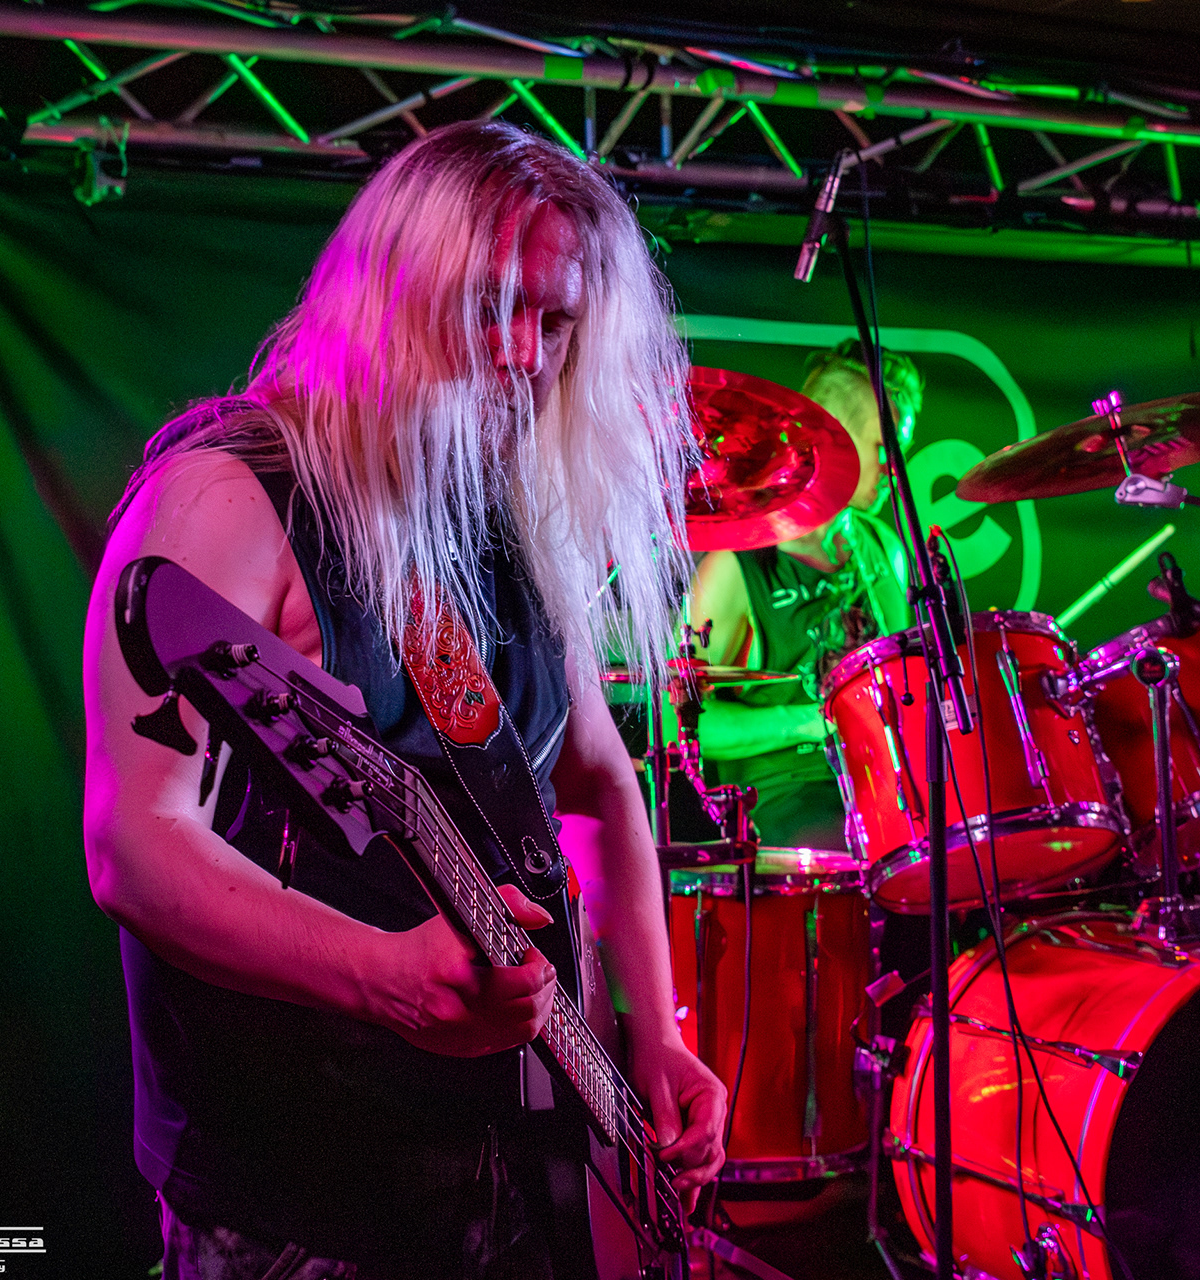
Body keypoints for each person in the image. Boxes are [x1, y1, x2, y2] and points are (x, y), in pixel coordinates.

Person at [82, 122, 726, 1279]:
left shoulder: (500, 517)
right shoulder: (230, 495)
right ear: (392, 292)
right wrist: (380, 973)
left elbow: (597, 777)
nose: (524, 354)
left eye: (556, 322)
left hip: (517, 1174)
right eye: (490, 307)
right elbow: (134, 842)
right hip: (299, 1196)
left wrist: (657, 1030)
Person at [684, 342, 923, 850]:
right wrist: (812, 721)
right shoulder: (735, 569)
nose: (895, 467)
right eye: (883, 448)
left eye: (900, 448)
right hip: (786, 804)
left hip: (885, 787)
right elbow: (677, 729)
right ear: (836, 439)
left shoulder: (884, 548)